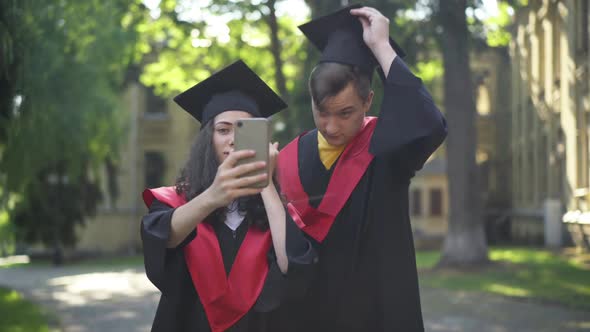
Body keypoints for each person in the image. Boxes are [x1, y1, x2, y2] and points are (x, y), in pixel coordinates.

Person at [277, 4, 447, 331]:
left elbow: (431, 125)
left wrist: (381, 47)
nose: (331, 126)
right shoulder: (288, 159)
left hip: (377, 315)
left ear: (368, 101)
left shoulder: (387, 148)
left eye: (345, 113)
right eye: (322, 112)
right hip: (310, 317)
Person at [141, 60, 317, 332]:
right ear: (207, 140)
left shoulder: (275, 211)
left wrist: (266, 183)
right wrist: (212, 196)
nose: (233, 140)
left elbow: (293, 264)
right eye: (223, 130)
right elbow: (161, 238)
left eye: (244, 130)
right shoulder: (179, 202)